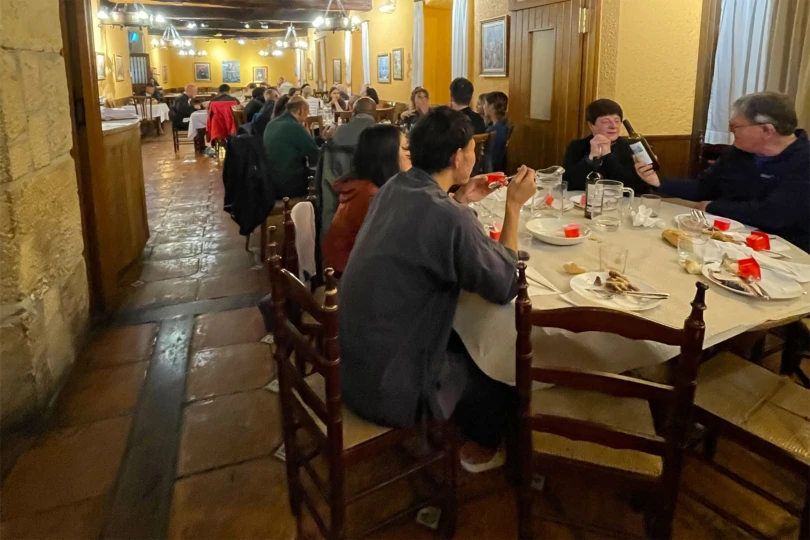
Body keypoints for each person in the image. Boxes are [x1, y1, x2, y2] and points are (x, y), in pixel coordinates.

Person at [339, 106, 536, 471]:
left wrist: (458, 197)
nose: (475, 157)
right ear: (457, 156)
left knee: (465, 333)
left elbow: (425, 231)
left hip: (350, 366)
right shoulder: (450, 219)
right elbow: (505, 282)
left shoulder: (395, 186)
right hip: (391, 389)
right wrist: (514, 207)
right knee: (502, 364)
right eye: (472, 150)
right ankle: (485, 444)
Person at [636, 91, 809, 252]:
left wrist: (713, 206)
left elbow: (773, 214)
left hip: (786, 253)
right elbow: (703, 187)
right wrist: (657, 181)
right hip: (730, 242)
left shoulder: (804, 161)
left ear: (767, 130)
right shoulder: (737, 154)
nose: (731, 132)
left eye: (736, 127)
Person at [323, 125, 411, 274]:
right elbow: (398, 245)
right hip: (348, 277)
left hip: (344, 267)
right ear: (387, 156)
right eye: (405, 148)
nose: (411, 153)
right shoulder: (371, 196)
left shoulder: (363, 184)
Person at [319, 97, 379, 238]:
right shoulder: (381, 137)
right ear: (375, 115)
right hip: (372, 209)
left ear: (353, 111)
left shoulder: (338, 134)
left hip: (339, 201)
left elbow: (328, 181)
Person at [562, 99, 649, 195]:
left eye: (617, 121)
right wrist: (590, 159)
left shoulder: (632, 147)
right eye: (605, 121)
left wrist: (608, 156)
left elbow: (636, 189)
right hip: (584, 204)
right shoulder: (576, 146)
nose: (613, 126)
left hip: (621, 205)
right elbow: (568, 185)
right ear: (591, 125)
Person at [263, 96, 320, 199]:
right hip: (290, 184)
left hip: (270, 182)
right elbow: (314, 155)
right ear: (300, 110)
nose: (308, 116)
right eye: (307, 112)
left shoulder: (271, 123)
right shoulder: (294, 126)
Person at [484, 92, 510, 173]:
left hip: (493, 171)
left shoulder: (494, 131)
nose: (483, 106)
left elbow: (491, 158)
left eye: (485, 103)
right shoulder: (504, 124)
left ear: (491, 107)